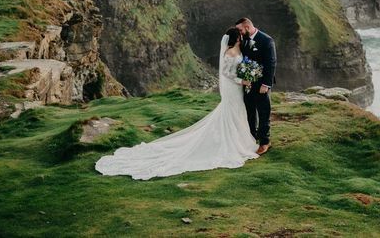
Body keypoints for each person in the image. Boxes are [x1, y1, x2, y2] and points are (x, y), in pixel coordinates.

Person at [94, 27, 260, 179]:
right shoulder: (230, 52)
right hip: (234, 87)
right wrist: (242, 81)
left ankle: (240, 139)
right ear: (234, 38)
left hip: (238, 88)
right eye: (239, 35)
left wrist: (247, 75)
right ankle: (231, 142)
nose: (241, 36)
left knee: (239, 112)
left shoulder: (238, 48)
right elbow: (225, 73)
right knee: (231, 111)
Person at [235, 17, 276, 155]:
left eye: (240, 29)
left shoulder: (267, 40)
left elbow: (271, 63)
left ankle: (265, 142)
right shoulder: (243, 40)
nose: (239, 32)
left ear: (247, 27)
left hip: (261, 84)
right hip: (248, 84)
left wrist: (266, 84)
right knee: (250, 112)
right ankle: (251, 139)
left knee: (264, 112)